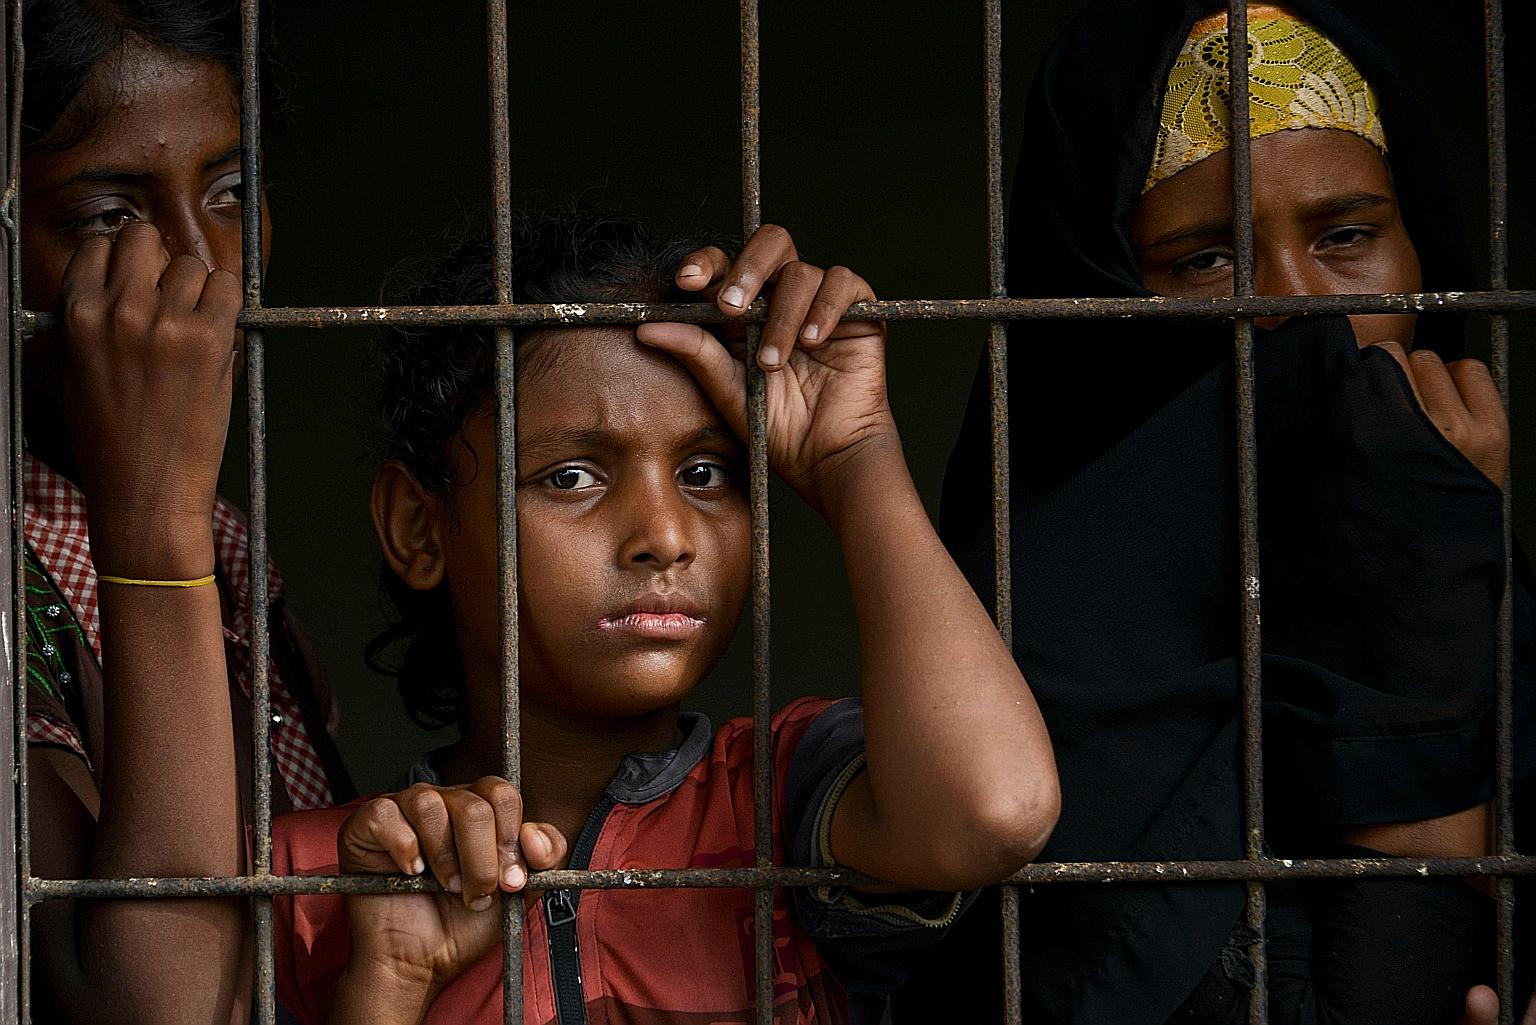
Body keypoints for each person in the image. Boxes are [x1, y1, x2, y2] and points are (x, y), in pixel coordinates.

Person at [895, 2, 1536, 1024]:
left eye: (1348, 236)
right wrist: (1426, 605)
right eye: (1206, 260)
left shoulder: (1481, 558)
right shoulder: (1014, 668)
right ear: (1100, 295)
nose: (1297, 303)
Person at [258, 209, 1060, 1025]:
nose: (665, 537)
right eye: (572, 477)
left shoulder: (784, 797)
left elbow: (994, 812)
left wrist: (854, 454)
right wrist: (386, 982)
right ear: (419, 527)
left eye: (707, 471)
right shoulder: (315, 874)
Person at [20, 2, 353, 1021]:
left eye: (231, 189)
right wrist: (153, 520)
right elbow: (160, 1002)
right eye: (108, 217)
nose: (201, 263)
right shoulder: (27, 576)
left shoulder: (240, 563)